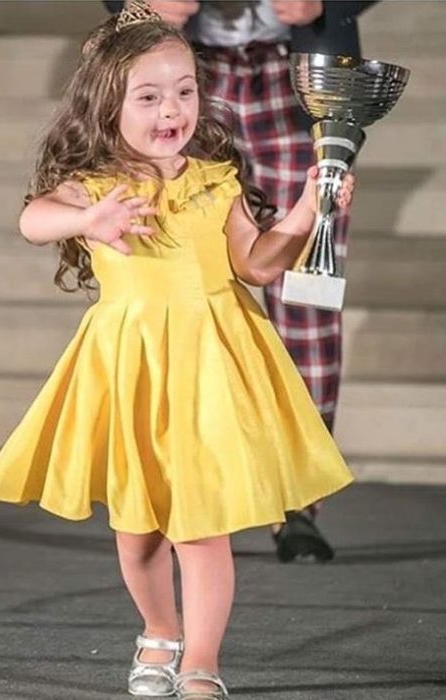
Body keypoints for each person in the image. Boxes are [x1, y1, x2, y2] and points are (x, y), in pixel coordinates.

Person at [0, 4, 355, 698]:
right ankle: (159, 630)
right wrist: (89, 218)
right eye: (148, 97)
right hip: (133, 373)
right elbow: (34, 218)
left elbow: (259, 266)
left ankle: (201, 662)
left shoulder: (215, 180)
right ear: (106, 105)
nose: (172, 109)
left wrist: (306, 211)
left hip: (211, 370)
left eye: (184, 90)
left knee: (201, 526)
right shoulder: (96, 185)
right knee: (139, 529)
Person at [104, 0, 378, 563]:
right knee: (179, 288)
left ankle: (299, 499)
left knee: (306, 295)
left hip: (297, 67)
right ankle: (187, 485)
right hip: (183, 69)